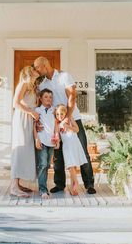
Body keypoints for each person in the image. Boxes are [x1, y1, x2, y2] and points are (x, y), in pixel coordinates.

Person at [34, 56, 96, 195]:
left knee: (82, 150)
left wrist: (67, 118)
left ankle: (89, 184)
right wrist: (40, 124)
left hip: (73, 118)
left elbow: (72, 96)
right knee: (57, 154)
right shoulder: (42, 84)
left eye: (37, 67)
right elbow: (42, 105)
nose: (36, 70)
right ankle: (60, 184)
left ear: (44, 64)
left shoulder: (64, 76)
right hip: (55, 122)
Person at [10, 65, 40, 197]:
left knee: (27, 150)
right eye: (34, 69)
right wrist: (31, 112)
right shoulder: (22, 84)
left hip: (29, 119)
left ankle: (19, 183)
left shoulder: (32, 86)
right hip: (22, 119)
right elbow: (15, 103)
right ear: (29, 72)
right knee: (20, 150)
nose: (36, 71)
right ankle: (13, 187)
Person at [55, 104, 87, 196]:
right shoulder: (57, 124)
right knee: (70, 166)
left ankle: (75, 184)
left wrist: (67, 126)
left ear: (65, 113)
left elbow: (77, 130)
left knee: (72, 166)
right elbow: (57, 136)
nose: (59, 116)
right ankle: (74, 184)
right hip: (66, 146)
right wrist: (56, 143)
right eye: (57, 114)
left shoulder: (69, 119)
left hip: (74, 143)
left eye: (61, 114)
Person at [34, 88, 59, 199]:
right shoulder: (37, 110)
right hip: (42, 141)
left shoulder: (54, 110)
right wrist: (36, 139)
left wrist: (57, 138)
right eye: (46, 97)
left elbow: (57, 125)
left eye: (50, 97)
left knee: (47, 165)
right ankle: (43, 190)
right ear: (40, 98)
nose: (49, 99)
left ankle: (42, 185)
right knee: (42, 165)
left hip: (51, 142)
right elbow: (34, 126)